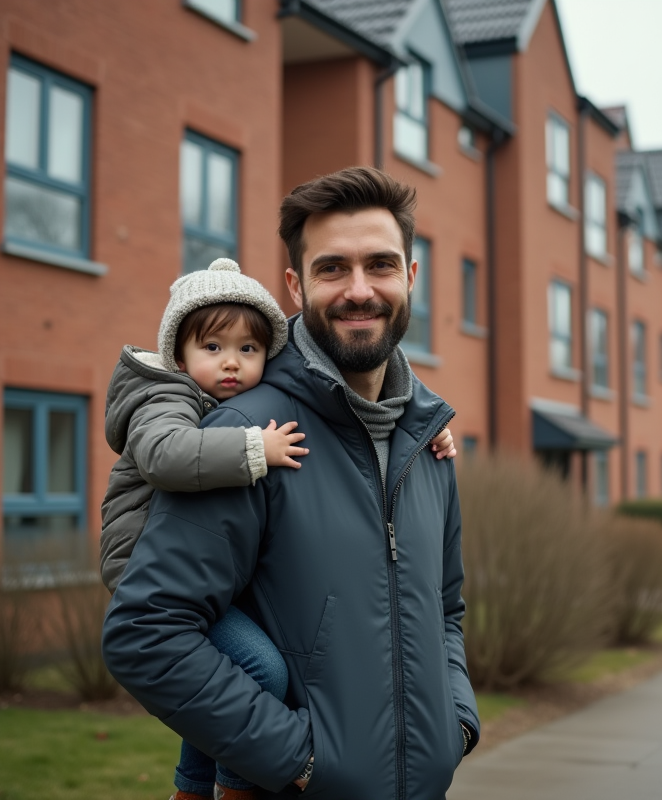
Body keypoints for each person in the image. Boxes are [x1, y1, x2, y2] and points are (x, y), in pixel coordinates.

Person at [103, 166, 478, 799]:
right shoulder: (244, 437)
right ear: (296, 287)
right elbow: (147, 633)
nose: (359, 289)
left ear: (411, 277)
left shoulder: (428, 440)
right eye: (332, 268)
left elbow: (445, 611)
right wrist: (299, 762)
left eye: (381, 265)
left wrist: (456, 724)